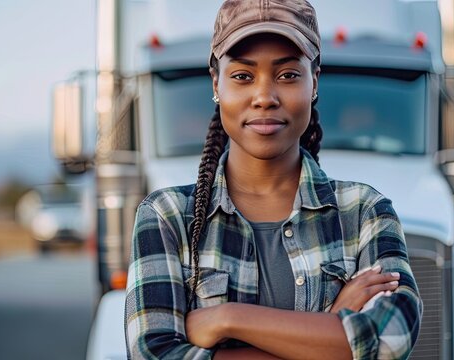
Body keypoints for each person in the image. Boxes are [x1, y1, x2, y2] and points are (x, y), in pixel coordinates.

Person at [125, 0, 422, 359]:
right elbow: (153, 354)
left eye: (287, 75)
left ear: (315, 82)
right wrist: (330, 333)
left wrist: (228, 318)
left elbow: (391, 339)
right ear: (216, 83)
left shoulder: (364, 212)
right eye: (242, 76)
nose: (264, 97)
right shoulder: (167, 216)